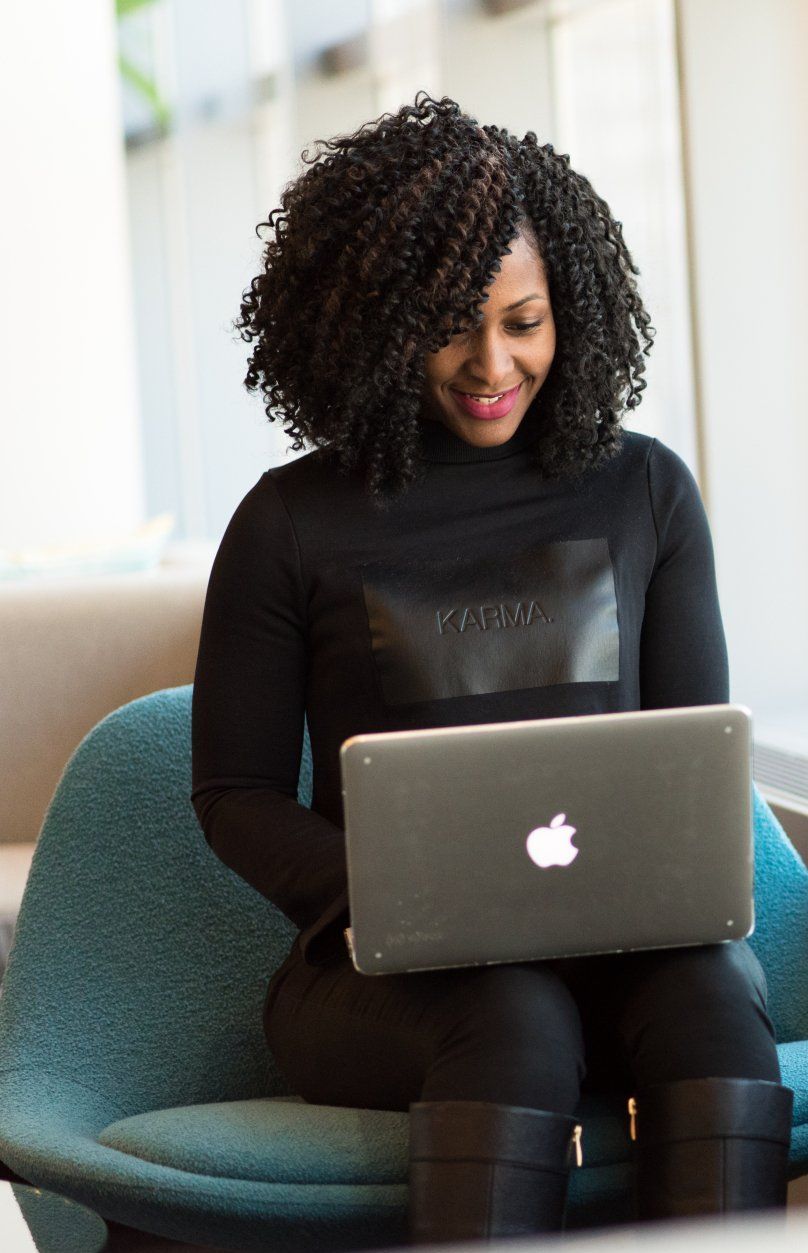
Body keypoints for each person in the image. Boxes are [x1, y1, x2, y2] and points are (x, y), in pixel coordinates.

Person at [190, 92, 792, 1245]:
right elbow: (236, 796)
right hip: (387, 976)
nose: (490, 363)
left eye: (525, 320)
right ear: (371, 321)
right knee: (513, 1012)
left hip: (628, 951)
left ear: (573, 308)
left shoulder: (646, 490)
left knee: (713, 1002)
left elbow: (687, 758)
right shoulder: (286, 522)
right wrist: (410, 896)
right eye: (450, 324)